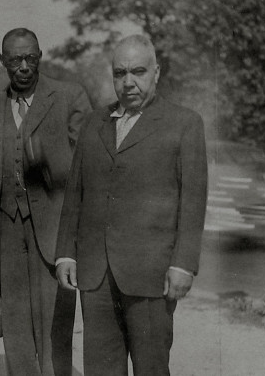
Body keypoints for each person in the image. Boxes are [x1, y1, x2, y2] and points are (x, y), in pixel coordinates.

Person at [55, 35, 208, 375]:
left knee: (151, 368)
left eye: (138, 71)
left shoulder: (184, 124)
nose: (128, 82)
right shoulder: (94, 123)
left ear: (156, 72)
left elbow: (193, 201)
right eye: (120, 73)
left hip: (151, 276)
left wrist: (184, 264)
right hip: (96, 276)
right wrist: (66, 252)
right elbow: (75, 192)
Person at [0, 28, 91, 375]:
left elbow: (88, 167)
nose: (24, 66)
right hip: (7, 235)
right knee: (16, 336)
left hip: (56, 235)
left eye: (31, 58)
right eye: (15, 60)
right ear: (2, 61)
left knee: (56, 334)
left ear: (40, 56)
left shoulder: (70, 97)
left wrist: (48, 157)